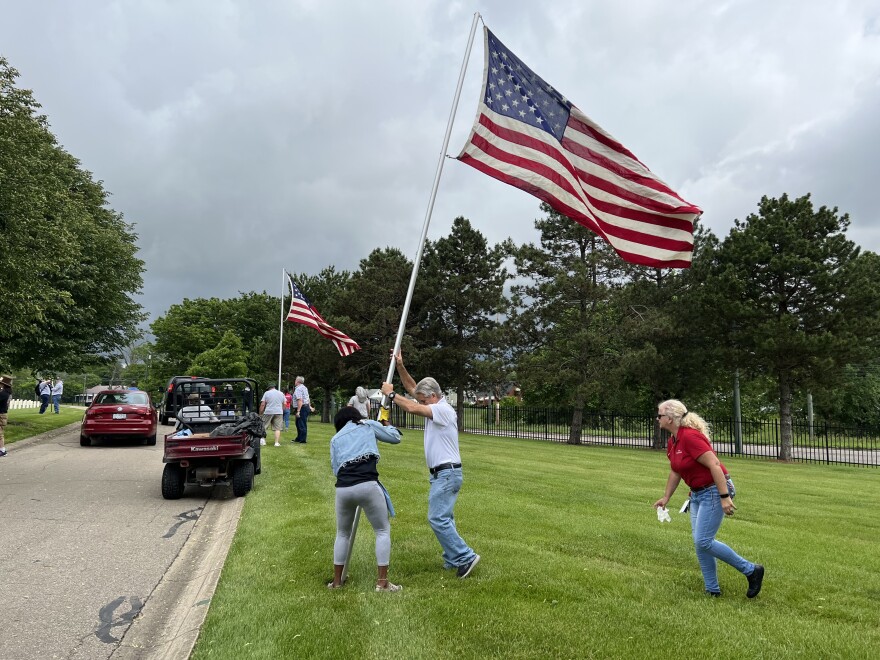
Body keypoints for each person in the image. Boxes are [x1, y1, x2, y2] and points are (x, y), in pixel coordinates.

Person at [381, 351, 480, 579]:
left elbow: (412, 407)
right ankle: (453, 558)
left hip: (447, 472)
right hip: (443, 474)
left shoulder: (443, 410)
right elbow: (413, 389)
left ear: (434, 396)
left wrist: (391, 394)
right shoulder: (434, 404)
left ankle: (466, 557)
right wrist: (400, 366)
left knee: (437, 518)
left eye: (424, 400)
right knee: (446, 518)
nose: (421, 403)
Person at [653, 399, 764, 598]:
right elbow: (675, 471)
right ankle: (712, 590)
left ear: (670, 418)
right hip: (697, 493)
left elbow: (714, 465)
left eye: (659, 415)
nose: (657, 418)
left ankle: (751, 570)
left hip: (714, 489)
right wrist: (666, 497)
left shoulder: (690, 437)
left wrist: (724, 497)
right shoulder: (673, 441)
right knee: (700, 542)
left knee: (703, 540)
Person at [327, 407, 402, 591]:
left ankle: (337, 582)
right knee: (382, 531)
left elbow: (335, 468)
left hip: (343, 489)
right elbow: (395, 437)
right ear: (356, 417)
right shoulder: (367, 425)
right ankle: (382, 582)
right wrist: (385, 422)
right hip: (368, 485)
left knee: (342, 533)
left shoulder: (335, 439)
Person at [260, 383, 286, 447]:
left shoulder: (267, 393)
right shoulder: (281, 393)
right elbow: (285, 403)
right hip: (279, 412)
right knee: (277, 428)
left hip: (269, 411)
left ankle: (263, 441)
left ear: (269, 388)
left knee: (264, 426)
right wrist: (282, 410)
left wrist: (260, 413)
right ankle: (276, 443)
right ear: (274, 387)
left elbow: (263, 404)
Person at [293, 376, 312, 444]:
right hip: (305, 407)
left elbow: (300, 400)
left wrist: (298, 411)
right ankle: (299, 438)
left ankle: (303, 439)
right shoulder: (304, 388)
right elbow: (307, 398)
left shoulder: (298, 389)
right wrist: (310, 406)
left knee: (301, 424)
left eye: (295, 380)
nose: (294, 381)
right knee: (298, 423)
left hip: (302, 408)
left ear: (297, 381)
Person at [0, 375, 13, 457]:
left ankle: (3, 450)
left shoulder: (4, 393)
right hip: (3, 413)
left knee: (0, 433)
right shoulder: (7, 393)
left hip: (1, 414)